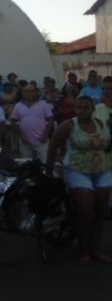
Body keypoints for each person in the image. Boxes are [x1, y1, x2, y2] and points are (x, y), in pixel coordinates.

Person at [47, 96, 112, 264]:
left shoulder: (101, 123)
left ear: (92, 109)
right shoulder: (69, 125)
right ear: (75, 109)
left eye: (86, 107)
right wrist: (48, 169)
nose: (83, 111)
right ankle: (84, 250)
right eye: (79, 108)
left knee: (100, 212)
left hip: (103, 170)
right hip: (78, 171)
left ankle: (95, 250)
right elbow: (53, 144)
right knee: (86, 211)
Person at [11, 85, 54, 162]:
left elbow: (51, 120)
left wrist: (46, 134)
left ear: (36, 92)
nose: (30, 93)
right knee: (28, 164)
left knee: (45, 163)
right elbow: (13, 121)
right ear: (23, 94)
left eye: (32, 91)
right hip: (25, 141)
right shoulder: (18, 106)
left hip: (41, 140)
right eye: (27, 92)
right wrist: (21, 135)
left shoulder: (43, 104)